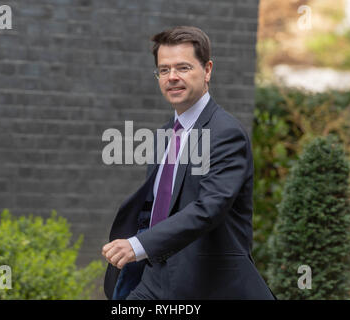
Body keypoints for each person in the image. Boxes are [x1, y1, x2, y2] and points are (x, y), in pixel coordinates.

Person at [102, 26, 275, 300]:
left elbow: (209, 207)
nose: (172, 77)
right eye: (164, 69)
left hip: (208, 284)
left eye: (183, 68)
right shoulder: (163, 134)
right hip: (156, 277)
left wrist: (139, 244)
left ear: (207, 70)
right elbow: (161, 204)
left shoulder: (225, 133)